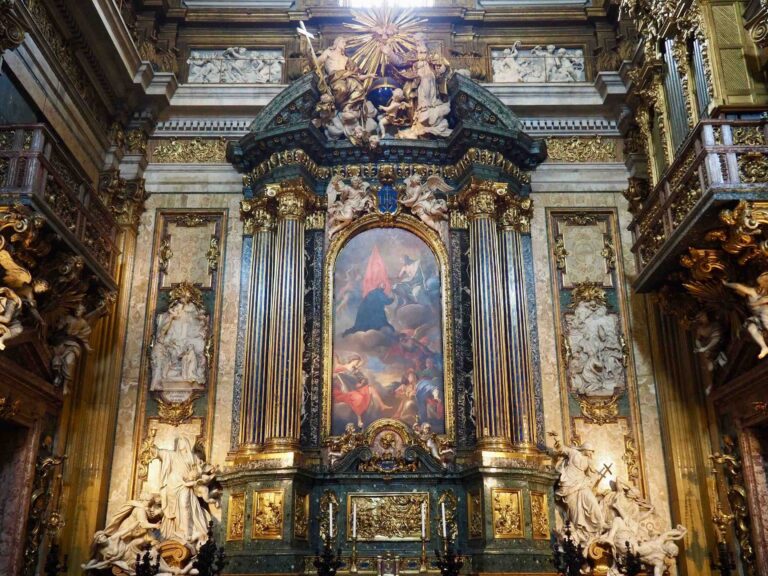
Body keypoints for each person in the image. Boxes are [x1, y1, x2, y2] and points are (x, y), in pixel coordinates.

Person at [549, 440, 605, 545]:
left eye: (592, 452)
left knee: (592, 503)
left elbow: (591, 476)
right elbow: (563, 449)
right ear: (585, 450)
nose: (591, 454)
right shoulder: (574, 453)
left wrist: (594, 478)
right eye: (590, 451)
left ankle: (599, 525)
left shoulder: (589, 461)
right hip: (568, 485)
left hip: (582, 485)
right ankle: (579, 535)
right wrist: (558, 443)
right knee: (574, 512)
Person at [723, 272, 768, 359]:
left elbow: (761, 301)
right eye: (765, 281)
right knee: (751, 327)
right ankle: (764, 347)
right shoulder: (753, 291)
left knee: (765, 311)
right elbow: (738, 287)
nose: (765, 284)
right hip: (758, 317)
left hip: (765, 314)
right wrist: (726, 284)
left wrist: (757, 303)